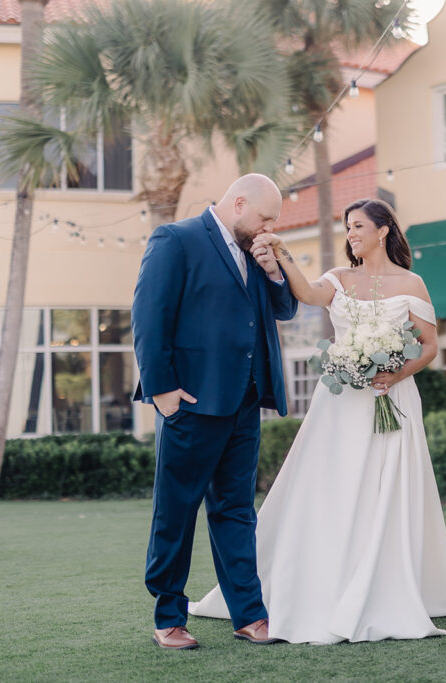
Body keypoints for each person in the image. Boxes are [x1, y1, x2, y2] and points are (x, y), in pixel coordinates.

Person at [189, 198, 446, 644]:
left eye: (359, 226)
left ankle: (384, 582)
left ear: (383, 230)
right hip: (341, 401)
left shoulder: (411, 283)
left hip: (392, 398)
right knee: (332, 485)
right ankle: (320, 578)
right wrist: (282, 252)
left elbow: (428, 346)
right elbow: (306, 295)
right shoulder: (338, 279)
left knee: (385, 490)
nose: (351, 234)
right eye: (348, 227)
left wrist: (396, 371)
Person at [131, 173, 298, 650]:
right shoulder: (176, 239)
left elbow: (283, 310)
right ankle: (168, 616)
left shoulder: (256, 251)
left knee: (236, 511)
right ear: (239, 202)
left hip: (246, 401)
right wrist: (161, 388)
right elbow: (148, 315)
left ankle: (249, 615)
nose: (268, 228)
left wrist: (272, 269)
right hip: (192, 401)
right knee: (176, 512)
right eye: (265, 218)